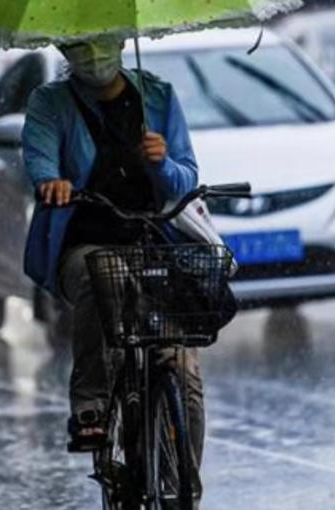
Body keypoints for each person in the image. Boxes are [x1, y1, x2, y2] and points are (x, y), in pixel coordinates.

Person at [21, 36, 204, 458]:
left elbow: (185, 179)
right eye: (80, 45)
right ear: (65, 51)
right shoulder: (50, 103)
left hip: (154, 243)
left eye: (102, 42)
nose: (93, 54)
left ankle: (186, 492)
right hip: (85, 245)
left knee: (182, 370)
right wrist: (53, 181)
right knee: (103, 274)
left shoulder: (158, 96)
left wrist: (162, 163)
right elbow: (40, 158)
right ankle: (92, 404)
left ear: (122, 41)